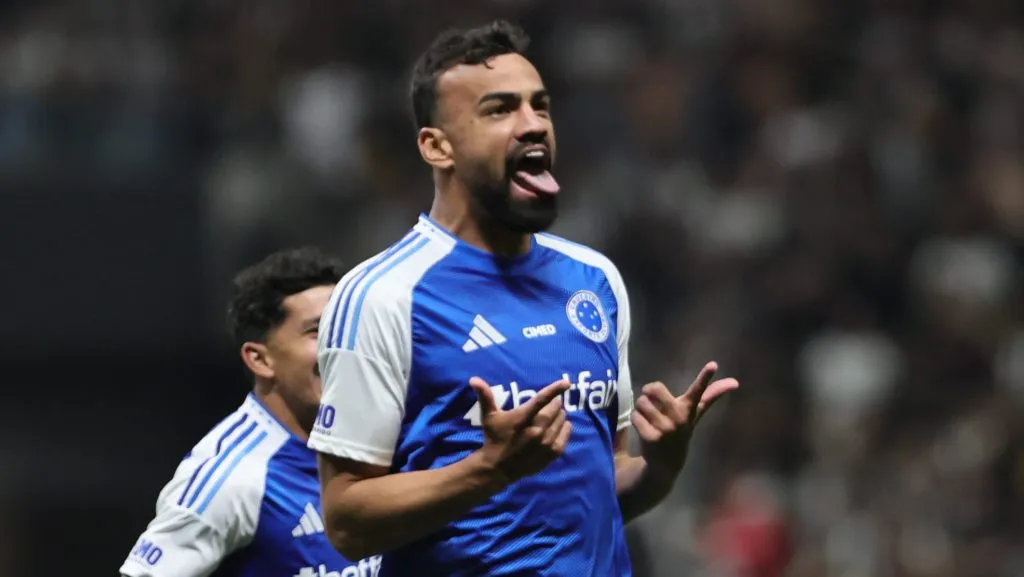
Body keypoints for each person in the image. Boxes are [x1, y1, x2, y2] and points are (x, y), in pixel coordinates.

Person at [308, 21, 740, 577]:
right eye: (499, 110)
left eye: (540, 106)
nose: (533, 125)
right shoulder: (382, 296)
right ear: (437, 146)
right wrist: (488, 470)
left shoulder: (595, 280)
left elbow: (601, 486)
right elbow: (345, 522)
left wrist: (660, 467)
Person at [120, 248, 381, 577]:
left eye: (346, 327)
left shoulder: (382, 441)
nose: (340, 346)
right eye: (318, 331)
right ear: (260, 359)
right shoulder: (231, 475)